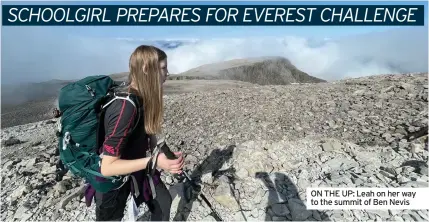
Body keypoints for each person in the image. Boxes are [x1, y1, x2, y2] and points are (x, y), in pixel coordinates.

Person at [95, 45, 184, 221]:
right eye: (163, 68)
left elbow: (145, 134)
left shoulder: (140, 99)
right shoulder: (125, 107)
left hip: (137, 168)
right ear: (146, 69)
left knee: (163, 202)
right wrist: (155, 161)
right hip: (113, 181)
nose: (168, 73)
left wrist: (165, 155)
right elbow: (107, 167)